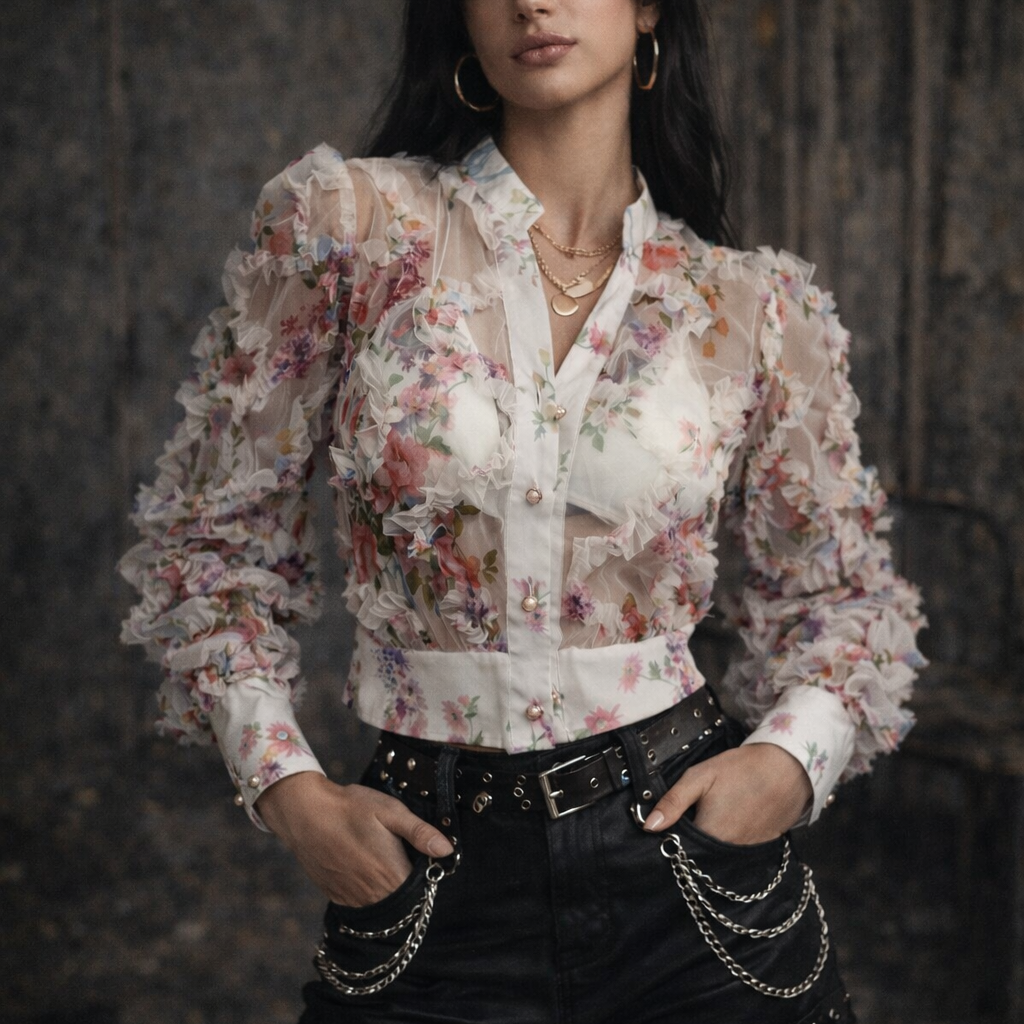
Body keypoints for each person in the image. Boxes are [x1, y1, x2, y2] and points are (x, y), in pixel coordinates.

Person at [117, 1, 927, 1021]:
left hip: (690, 874)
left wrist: (781, 763)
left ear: (645, 10)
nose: (530, 1)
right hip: (430, 863)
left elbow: (846, 598)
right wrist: (289, 787)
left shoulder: (748, 305)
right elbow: (209, 548)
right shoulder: (348, 230)